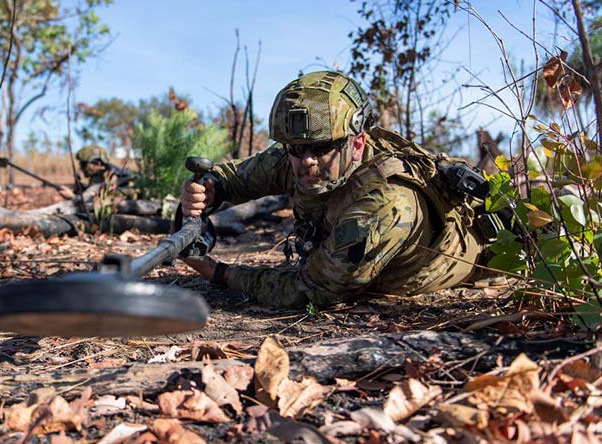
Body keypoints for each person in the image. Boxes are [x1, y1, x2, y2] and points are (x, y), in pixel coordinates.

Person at [180, 70, 497, 309]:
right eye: (296, 148)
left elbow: (315, 290)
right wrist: (208, 188)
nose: (307, 162)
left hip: (486, 261)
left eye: (320, 149)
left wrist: (219, 273)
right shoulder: (303, 154)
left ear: (357, 143)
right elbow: (240, 175)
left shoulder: (387, 202)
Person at [59, 145, 135, 200]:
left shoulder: (106, 177)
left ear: (98, 164)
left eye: (84, 164)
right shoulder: (102, 175)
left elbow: (90, 200)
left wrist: (72, 196)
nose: (82, 167)